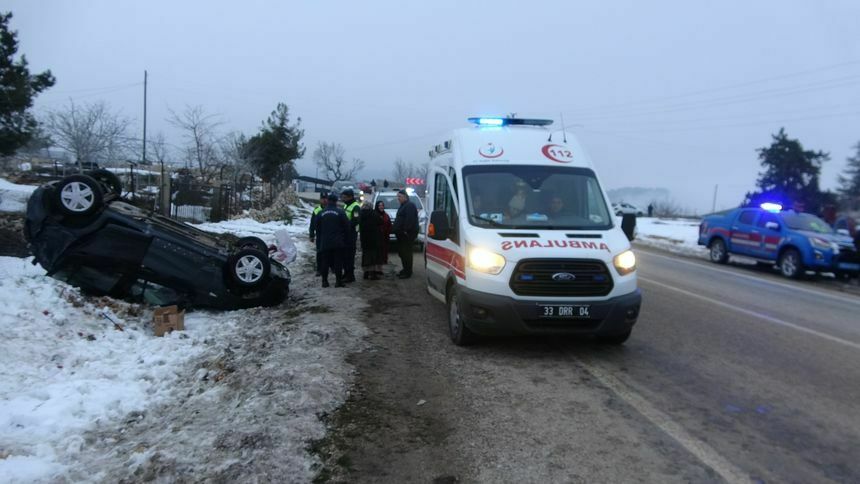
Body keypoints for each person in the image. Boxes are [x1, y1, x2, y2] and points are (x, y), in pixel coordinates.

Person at [315, 193, 349, 288]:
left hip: (325, 242)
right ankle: (338, 282)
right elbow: (347, 227)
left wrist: (320, 238)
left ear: (328, 201)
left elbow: (317, 227)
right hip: (338, 242)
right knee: (338, 262)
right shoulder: (340, 212)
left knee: (325, 262)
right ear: (336, 201)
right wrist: (344, 239)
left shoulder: (321, 213)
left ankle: (324, 282)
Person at [392, 189, 419, 279]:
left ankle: (408, 272)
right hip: (401, 234)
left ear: (405, 197)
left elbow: (410, 219)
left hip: (406, 235)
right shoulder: (403, 205)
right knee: (402, 253)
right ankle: (405, 269)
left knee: (406, 253)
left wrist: (405, 230)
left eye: (399, 196)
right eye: (398, 196)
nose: (398, 198)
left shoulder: (410, 206)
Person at [340, 188, 361, 283]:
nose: (343, 199)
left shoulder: (355, 207)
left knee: (349, 256)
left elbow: (356, 220)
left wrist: (345, 225)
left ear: (350, 197)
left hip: (351, 235)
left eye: (344, 197)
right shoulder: (346, 205)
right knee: (344, 256)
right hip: (345, 234)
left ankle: (350, 275)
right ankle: (346, 273)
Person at [359, 202, 384, 279]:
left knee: (365, 255)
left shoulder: (360, 214)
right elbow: (381, 222)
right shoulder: (374, 214)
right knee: (373, 256)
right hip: (373, 239)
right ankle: (372, 274)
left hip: (364, 238)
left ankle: (365, 273)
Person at [308, 192, 328, 275]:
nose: (324, 200)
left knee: (330, 251)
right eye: (322, 199)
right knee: (319, 252)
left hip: (329, 234)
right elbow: (312, 224)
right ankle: (319, 269)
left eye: (325, 198)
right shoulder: (316, 210)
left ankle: (332, 267)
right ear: (320, 200)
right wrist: (311, 235)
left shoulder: (330, 209)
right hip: (320, 234)